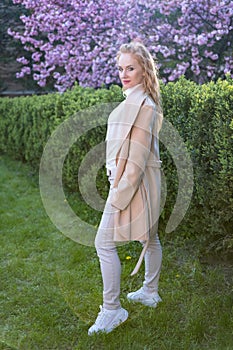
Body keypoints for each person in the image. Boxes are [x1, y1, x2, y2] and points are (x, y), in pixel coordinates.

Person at [88, 41, 163, 335]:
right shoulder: (136, 99)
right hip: (138, 181)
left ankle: (112, 310)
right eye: (120, 68)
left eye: (130, 68)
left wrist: (118, 194)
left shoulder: (144, 104)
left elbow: (138, 157)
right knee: (151, 238)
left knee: (103, 242)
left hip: (134, 183)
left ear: (144, 69)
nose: (124, 73)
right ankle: (150, 291)